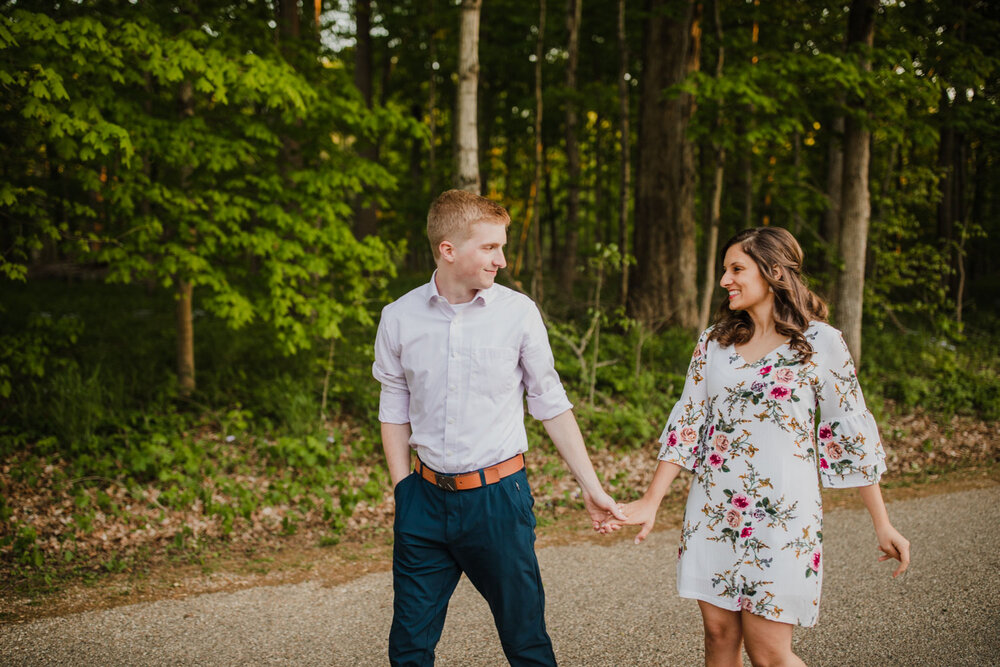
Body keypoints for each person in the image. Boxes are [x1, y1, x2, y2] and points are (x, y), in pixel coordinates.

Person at [606, 227, 911, 666]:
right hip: (713, 509)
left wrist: (883, 524)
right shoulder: (713, 342)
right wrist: (652, 501)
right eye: (724, 270)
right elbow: (689, 420)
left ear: (772, 272)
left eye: (736, 269)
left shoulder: (822, 342)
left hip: (783, 517)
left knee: (769, 654)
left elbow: (849, 432)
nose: (725, 280)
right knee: (718, 636)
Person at [372, 189, 625, 666]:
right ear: (448, 249)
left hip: (498, 502)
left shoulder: (518, 313)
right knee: (408, 647)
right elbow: (394, 401)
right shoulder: (399, 317)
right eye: (490, 247)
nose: (502, 260)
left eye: (502, 247)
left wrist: (590, 487)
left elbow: (550, 403)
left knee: (525, 641)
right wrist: (402, 487)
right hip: (422, 500)